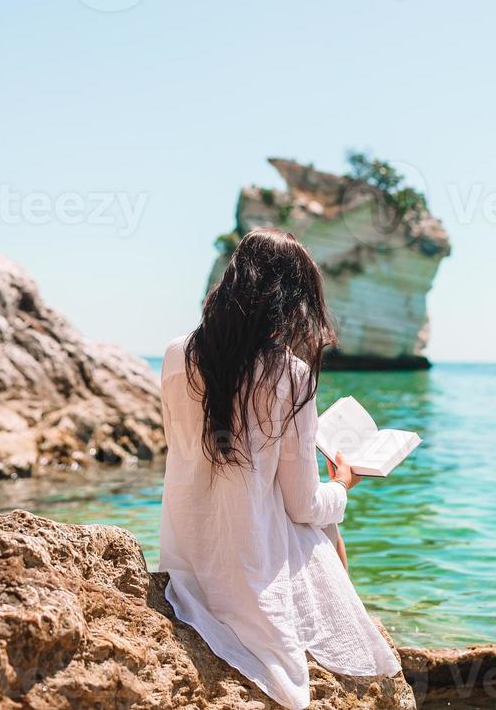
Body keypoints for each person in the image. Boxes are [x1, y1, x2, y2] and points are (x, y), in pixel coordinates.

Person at [159, 228, 401, 709]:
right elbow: (303, 505)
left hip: (186, 552)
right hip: (245, 564)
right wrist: (343, 485)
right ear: (291, 301)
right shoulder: (290, 374)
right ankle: (350, 637)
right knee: (329, 524)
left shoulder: (175, 353)